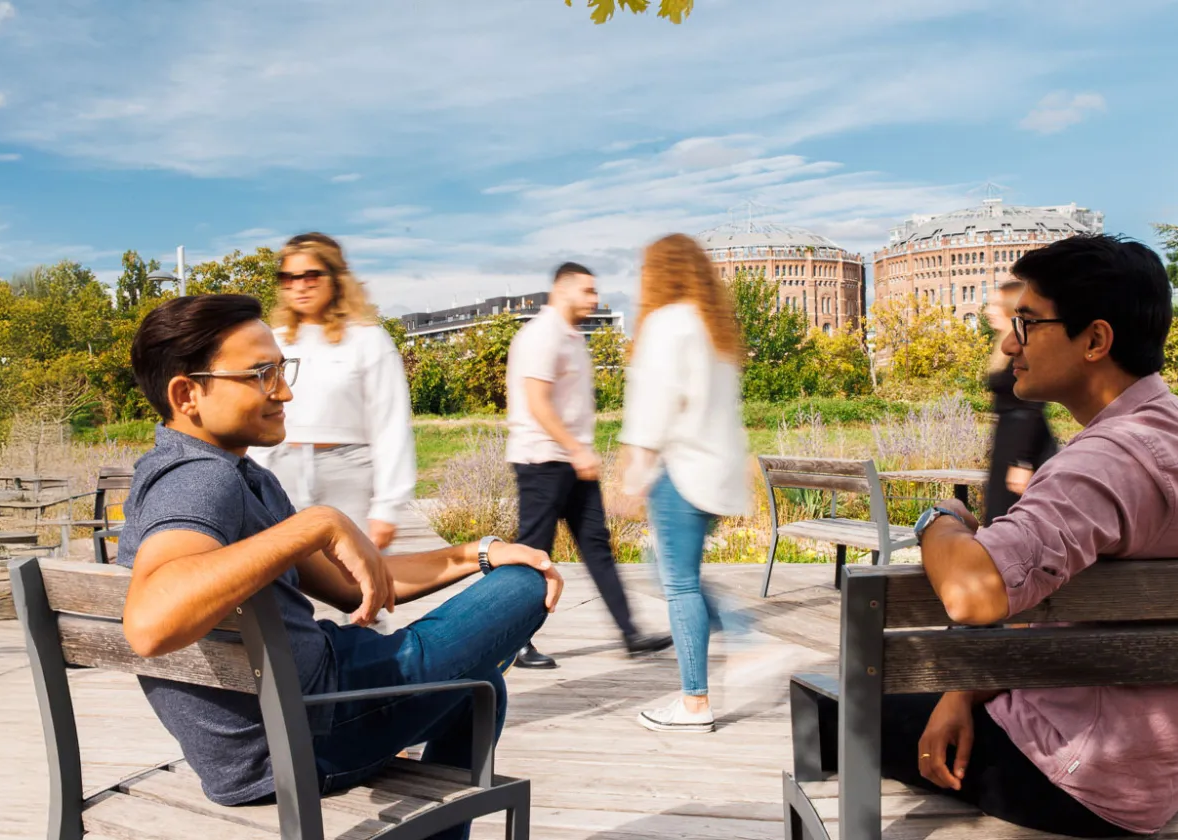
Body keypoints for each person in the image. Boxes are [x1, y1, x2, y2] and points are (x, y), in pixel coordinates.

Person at [117, 294, 564, 840]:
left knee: (477, 686)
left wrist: (478, 552)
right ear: (187, 394)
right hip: (304, 734)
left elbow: (357, 590)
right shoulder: (197, 479)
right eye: (261, 374)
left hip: (291, 716)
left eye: (282, 369)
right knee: (523, 587)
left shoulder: (233, 476)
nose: (284, 391)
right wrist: (316, 523)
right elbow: (150, 621)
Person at [895, 234, 1178, 837]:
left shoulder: (1107, 461)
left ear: (1095, 340)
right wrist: (963, 691)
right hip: (1155, 766)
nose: (1010, 345)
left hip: (1075, 776)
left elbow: (971, 591)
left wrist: (938, 519)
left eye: (1028, 324)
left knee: (827, 701)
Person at [610, 234, 753, 732]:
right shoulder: (713, 330)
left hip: (682, 472)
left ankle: (696, 702)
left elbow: (651, 404)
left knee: (678, 585)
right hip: (717, 472)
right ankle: (741, 634)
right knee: (670, 571)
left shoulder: (667, 322)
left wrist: (632, 473)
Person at [505, 262, 670, 670]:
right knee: (531, 556)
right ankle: (513, 642)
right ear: (563, 290)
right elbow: (537, 403)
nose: (594, 299)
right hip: (542, 460)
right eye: (587, 291)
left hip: (571, 462)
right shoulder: (542, 336)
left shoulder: (573, 336)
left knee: (597, 548)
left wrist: (579, 453)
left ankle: (631, 634)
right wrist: (575, 449)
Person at [248, 233, 417, 550]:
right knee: (286, 585)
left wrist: (387, 506)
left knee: (358, 587)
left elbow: (391, 424)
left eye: (310, 276)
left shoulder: (369, 339)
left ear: (335, 278)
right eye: (288, 278)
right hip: (282, 472)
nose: (299, 286)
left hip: (350, 477)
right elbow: (260, 415)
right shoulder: (274, 339)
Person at [981, 276, 1059, 524]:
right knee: (998, 518)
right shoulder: (1005, 347)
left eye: (994, 305)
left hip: (1023, 446)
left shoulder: (1025, 349)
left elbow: (1033, 405)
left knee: (1012, 520)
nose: (987, 311)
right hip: (1008, 441)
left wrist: (1022, 461)